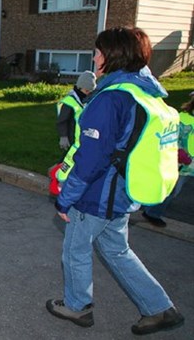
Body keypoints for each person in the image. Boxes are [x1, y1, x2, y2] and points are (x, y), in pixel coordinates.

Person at [47, 26, 184, 335]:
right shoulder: (145, 91)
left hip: (97, 195)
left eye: (98, 51)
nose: (94, 57)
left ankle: (77, 307)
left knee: (75, 249)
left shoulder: (110, 99)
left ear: (112, 56)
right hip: (123, 192)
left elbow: (91, 159)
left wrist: (66, 197)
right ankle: (160, 309)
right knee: (116, 250)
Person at [142, 92, 194, 227]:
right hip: (181, 163)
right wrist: (179, 153)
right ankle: (151, 212)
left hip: (189, 165)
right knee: (171, 190)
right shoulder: (182, 118)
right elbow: (171, 137)